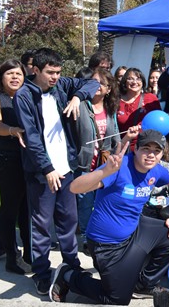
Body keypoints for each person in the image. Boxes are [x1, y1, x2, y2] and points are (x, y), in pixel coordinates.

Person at [51, 130, 169, 304]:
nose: (151, 155)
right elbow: (75, 188)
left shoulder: (157, 170)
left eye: (156, 151)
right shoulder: (118, 167)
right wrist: (104, 171)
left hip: (133, 233)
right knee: (117, 298)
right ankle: (68, 276)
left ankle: (143, 284)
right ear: (135, 149)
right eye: (146, 148)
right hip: (106, 246)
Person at [13, 48, 100, 294]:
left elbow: (93, 83)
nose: (54, 77)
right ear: (35, 70)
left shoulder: (62, 86)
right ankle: (41, 273)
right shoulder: (24, 96)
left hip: (66, 169)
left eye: (58, 72)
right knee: (41, 225)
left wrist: (77, 97)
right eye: (50, 72)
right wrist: (47, 168)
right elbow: (31, 138)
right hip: (42, 173)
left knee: (69, 221)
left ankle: (70, 265)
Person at [70, 68, 137, 253]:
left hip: (103, 163)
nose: (97, 86)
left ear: (109, 89)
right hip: (83, 163)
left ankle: (96, 233)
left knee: (99, 200)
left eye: (102, 83)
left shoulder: (109, 109)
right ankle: (85, 236)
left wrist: (126, 140)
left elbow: (115, 137)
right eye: (93, 82)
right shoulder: (81, 105)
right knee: (85, 201)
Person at [0, 59, 31, 274]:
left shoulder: (27, 96)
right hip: (7, 161)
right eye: (9, 73)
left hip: (28, 160)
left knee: (27, 210)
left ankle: (29, 254)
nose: (15, 77)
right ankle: (11, 255)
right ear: (0, 77)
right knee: (9, 208)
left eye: (18, 73)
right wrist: (14, 130)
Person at [117, 68, 161, 150]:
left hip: (145, 149)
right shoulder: (116, 101)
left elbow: (158, 124)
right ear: (124, 82)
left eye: (138, 78)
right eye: (130, 79)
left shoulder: (151, 98)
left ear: (143, 81)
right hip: (122, 148)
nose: (134, 82)